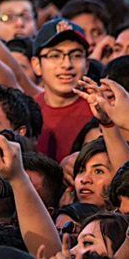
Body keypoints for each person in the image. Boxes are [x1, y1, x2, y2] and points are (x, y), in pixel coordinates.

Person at [30, 19, 93, 161]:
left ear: (87, 65)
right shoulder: (28, 110)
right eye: (55, 55)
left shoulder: (101, 110)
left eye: (76, 55)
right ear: (36, 65)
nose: (66, 64)